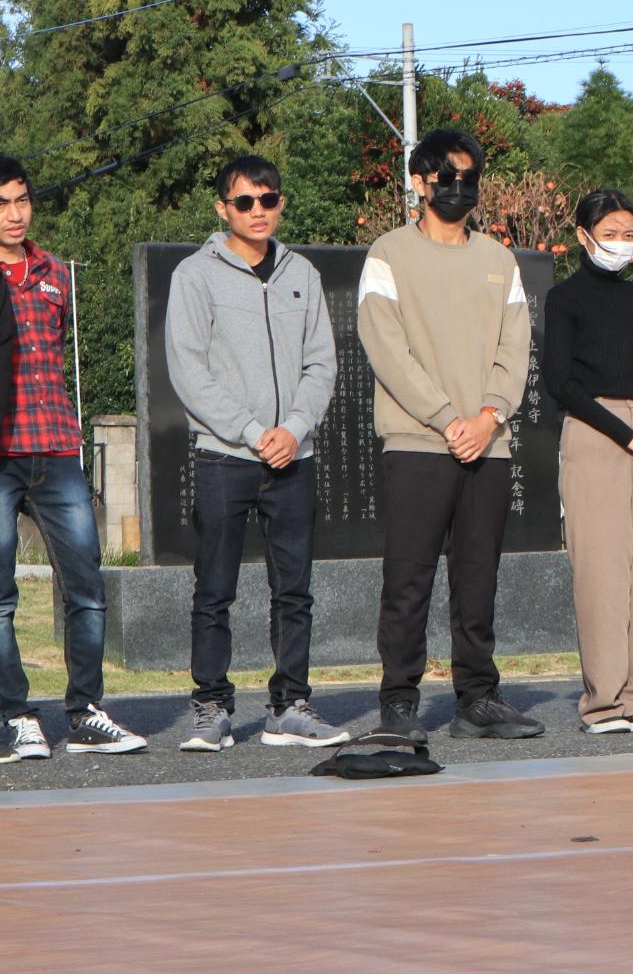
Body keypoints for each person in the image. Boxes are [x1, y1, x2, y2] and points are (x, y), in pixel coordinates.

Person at [358, 128, 543, 742]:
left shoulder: (499, 259)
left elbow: (515, 348)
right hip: (418, 441)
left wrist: (489, 417)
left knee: (477, 577)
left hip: (488, 443)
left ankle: (477, 698)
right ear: (419, 182)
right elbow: (386, 347)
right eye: (446, 178)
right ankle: (400, 701)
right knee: (408, 578)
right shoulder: (388, 253)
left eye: (470, 178)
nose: (458, 188)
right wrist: (446, 418)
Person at [165, 154, 345, 752]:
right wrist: (249, 429)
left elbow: (322, 362)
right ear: (223, 208)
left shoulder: (304, 273)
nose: (258, 211)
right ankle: (211, 708)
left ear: (280, 203)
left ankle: (290, 706)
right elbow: (188, 369)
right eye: (245, 202)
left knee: (294, 590)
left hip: (294, 456)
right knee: (214, 589)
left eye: (268, 200)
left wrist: (293, 428)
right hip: (224, 455)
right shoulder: (196, 275)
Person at [0, 156, 145, 757]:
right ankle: (14, 716)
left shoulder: (57, 272)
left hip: (57, 446)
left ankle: (87, 711)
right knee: (1, 597)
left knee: (86, 585)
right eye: (2, 204)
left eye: (21, 201)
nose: (14, 214)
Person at [544, 189, 633, 734]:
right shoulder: (564, 298)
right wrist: (627, 435)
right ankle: (603, 702)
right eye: (611, 232)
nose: (622, 243)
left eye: (629, 233)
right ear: (583, 235)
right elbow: (560, 382)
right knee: (600, 570)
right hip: (595, 433)